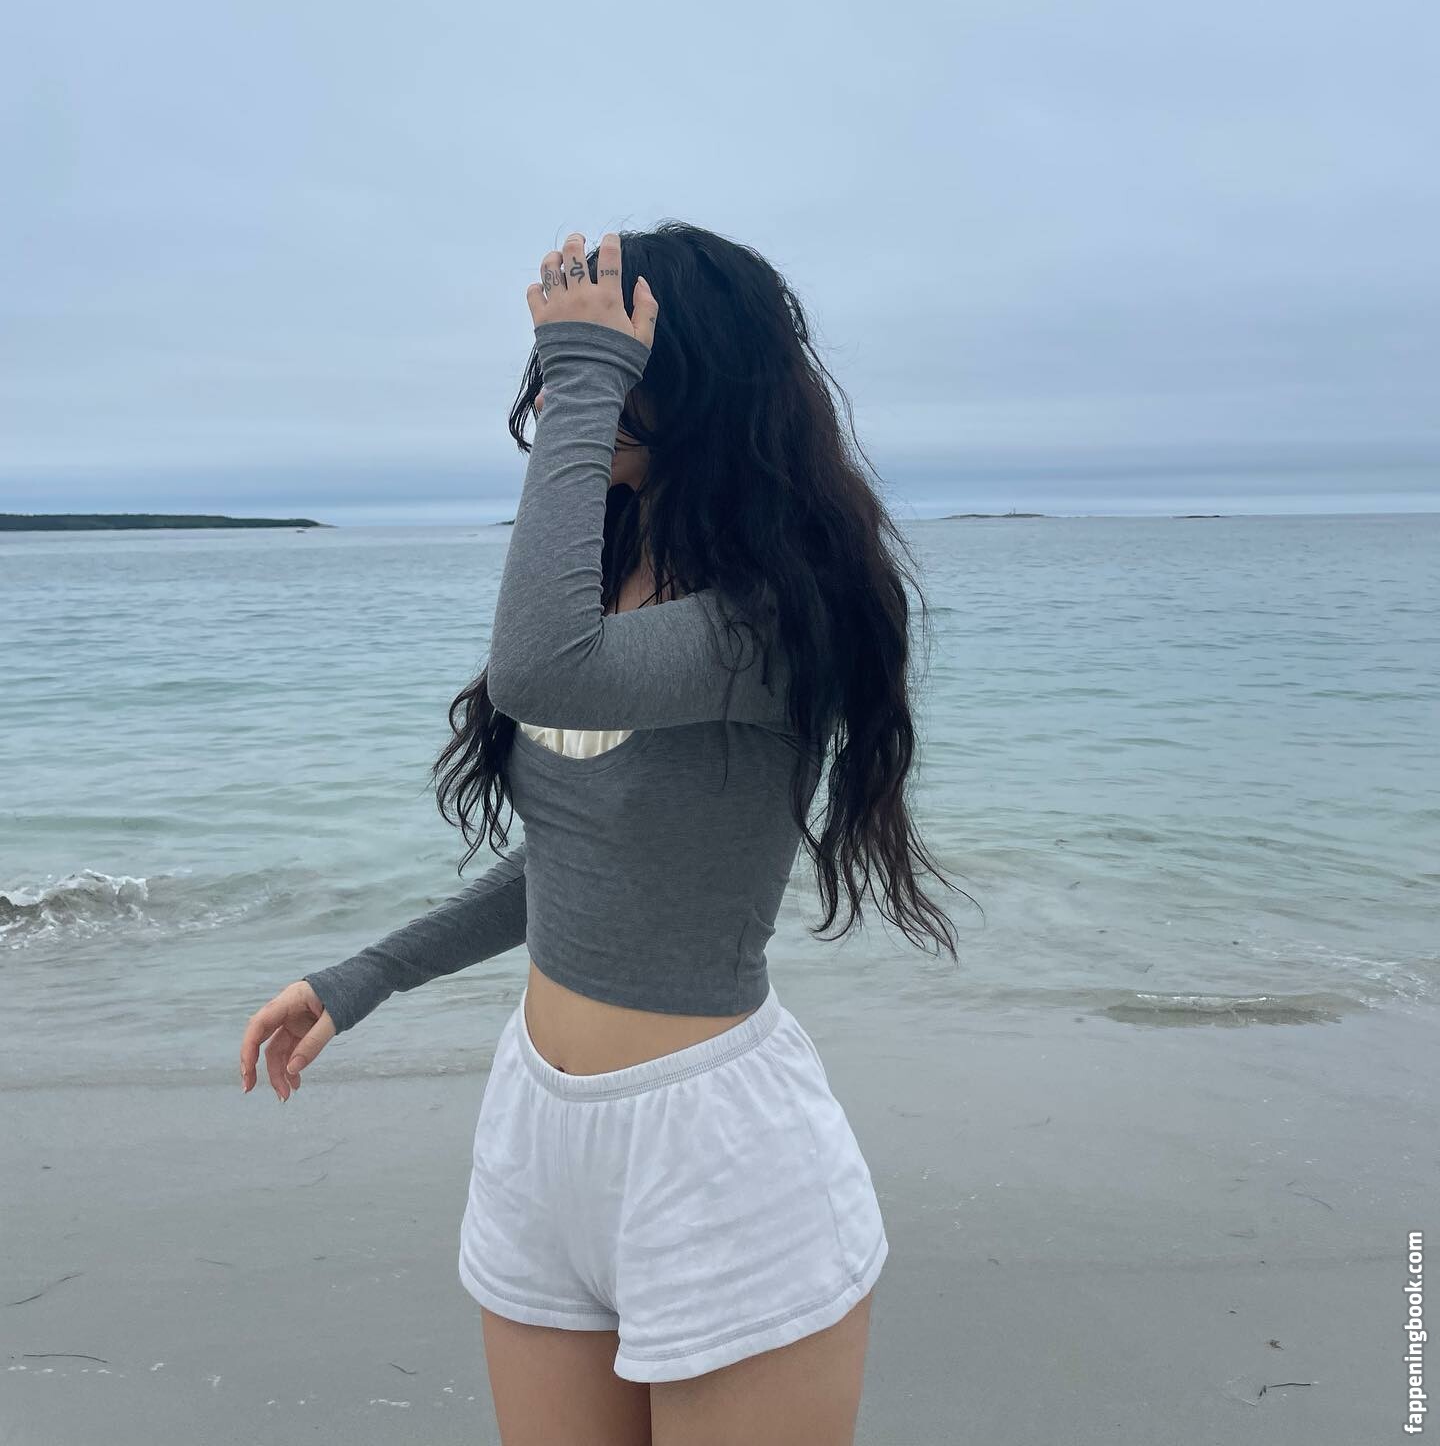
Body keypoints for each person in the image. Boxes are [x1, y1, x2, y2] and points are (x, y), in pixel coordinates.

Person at [240, 223, 967, 1445]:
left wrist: (586, 373)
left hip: (715, 1149)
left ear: (688, 377)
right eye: (566, 360)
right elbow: (574, 869)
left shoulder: (771, 624)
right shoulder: (615, 582)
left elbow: (536, 670)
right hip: (538, 1130)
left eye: (614, 356)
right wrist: (361, 978)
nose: (563, 387)